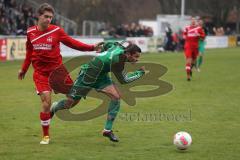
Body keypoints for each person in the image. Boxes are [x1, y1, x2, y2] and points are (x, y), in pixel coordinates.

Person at [18, 3, 102, 144]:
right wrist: (24, 69)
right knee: (45, 102)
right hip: (41, 74)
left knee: (72, 101)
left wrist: (92, 47)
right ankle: (46, 136)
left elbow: (73, 43)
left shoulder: (57, 31)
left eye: (51, 17)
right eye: (46, 16)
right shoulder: (30, 32)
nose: (48, 19)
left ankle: (56, 108)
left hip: (58, 73)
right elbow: (29, 52)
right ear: (38, 16)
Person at [50, 41, 145, 142]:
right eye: (135, 56)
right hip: (88, 75)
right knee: (70, 103)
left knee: (116, 97)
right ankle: (53, 107)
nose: (136, 60)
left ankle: (107, 130)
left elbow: (109, 44)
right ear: (128, 54)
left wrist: (102, 49)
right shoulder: (118, 61)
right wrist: (140, 73)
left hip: (101, 76)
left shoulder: (119, 46)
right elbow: (124, 80)